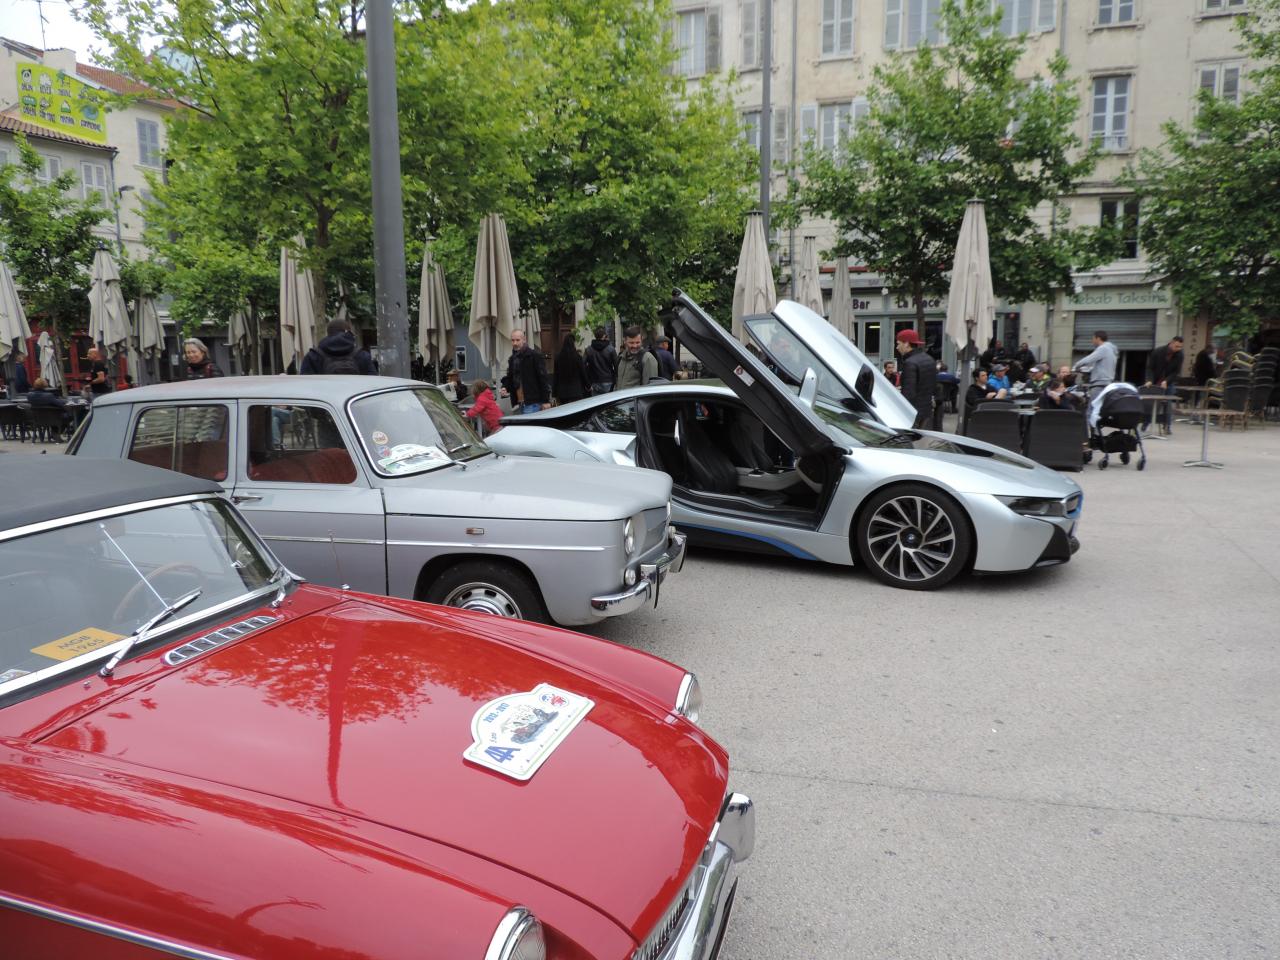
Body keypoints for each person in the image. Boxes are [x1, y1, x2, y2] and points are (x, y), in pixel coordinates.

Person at [500, 329, 551, 412]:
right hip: (520, 403)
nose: (515, 343)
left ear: (524, 340)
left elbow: (543, 378)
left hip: (534, 403)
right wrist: (505, 387)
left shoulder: (534, 356)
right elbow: (510, 377)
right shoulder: (513, 359)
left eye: (517, 340)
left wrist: (546, 401)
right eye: (512, 340)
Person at [301, 319, 375, 375]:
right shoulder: (363, 355)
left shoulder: (312, 356)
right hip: (356, 394)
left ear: (328, 333)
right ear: (347, 332)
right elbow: (373, 382)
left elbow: (305, 384)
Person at [1144, 335, 1185, 434]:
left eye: (1180, 347)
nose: (1178, 349)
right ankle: (1145, 423)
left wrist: (1167, 381)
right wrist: (1149, 380)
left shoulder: (1180, 355)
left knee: (1168, 404)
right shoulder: (1158, 351)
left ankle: (1167, 426)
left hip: (1168, 382)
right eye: (1176, 346)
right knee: (1151, 404)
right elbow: (1150, 368)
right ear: (1171, 343)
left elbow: (1176, 372)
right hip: (1155, 381)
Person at [895, 329, 936, 428]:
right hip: (926, 411)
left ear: (906, 344)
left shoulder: (910, 363)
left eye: (898, 343)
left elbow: (909, 394)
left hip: (913, 415)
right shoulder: (929, 359)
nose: (897, 347)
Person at [1072, 329, 1119, 396]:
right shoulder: (1111, 349)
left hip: (1100, 383)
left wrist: (1077, 365)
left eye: (1093, 338)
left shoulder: (1103, 348)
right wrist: (1091, 369)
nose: (1092, 341)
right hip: (1107, 381)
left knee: (1093, 404)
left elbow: (1089, 359)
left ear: (1098, 338)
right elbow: (1104, 366)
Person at [615, 325, 658, 390]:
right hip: (621, 399)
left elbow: (650, 389)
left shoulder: (647, 358)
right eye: (631, 343)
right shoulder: (620, 358)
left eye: (637, 342)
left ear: (641, 340)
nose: (635, 346)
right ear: (625, 341)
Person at [553, 333, 590, 404]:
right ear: (573, 343)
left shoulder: (558, 357)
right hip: (576, 391)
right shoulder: (577, 357)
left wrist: (554, 393)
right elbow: (583, 373)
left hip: (562, 392)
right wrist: (588, 386)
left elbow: (556, 376)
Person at [583, 327, 617, 395]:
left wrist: (587, 382)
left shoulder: (588, 350)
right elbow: (616, 365)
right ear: (604, 336)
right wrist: (616, 380)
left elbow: (582, 365)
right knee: (609, 403)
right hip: (608, 380)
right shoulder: (611, 349)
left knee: (596, 403)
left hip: (594, 381)